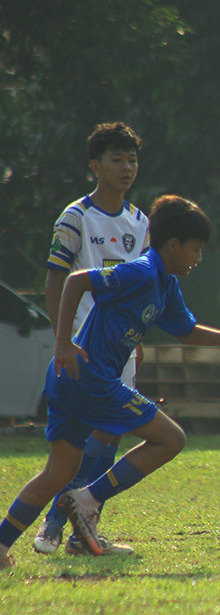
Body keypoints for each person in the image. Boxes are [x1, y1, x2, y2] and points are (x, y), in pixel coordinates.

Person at [0, 195, 220, 568]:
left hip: (72, 382)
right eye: (196, 250)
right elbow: (75, 282)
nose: (198, 259)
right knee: (171, 439)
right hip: (91, 380)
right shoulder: (139, 272)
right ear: (173, 245)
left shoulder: (165, 283)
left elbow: (184, 330)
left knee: (58, 471)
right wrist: (62, 342)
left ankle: (1, 544)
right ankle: (85, 501)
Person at [34, 122, 149, 557]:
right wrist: (62, 338)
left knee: (111, 435)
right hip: (83, 348)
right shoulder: (76, 217)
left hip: (122, 349)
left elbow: (143, 289)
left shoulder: (140, 223)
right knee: (78, 440)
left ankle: (81, 528)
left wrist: (139, 338)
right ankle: (53, 525)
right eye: (117, 159)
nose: (126, 167)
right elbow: (55, 280)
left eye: (132, 159)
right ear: (95, 166)